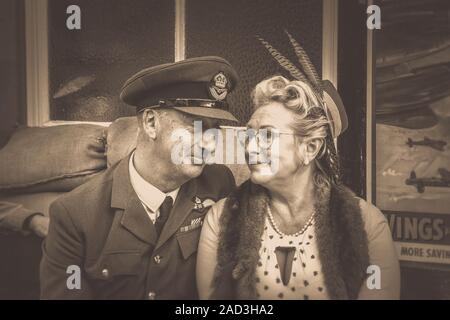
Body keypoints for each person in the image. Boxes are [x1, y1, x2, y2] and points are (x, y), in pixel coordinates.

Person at [40, 56, 239, 299]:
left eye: (213, 129)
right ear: (151, 122)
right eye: (195, 126)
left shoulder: (220, 184)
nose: (208, 141)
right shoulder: (75, 215)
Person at [196, 75, 400, 300]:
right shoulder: (222, 219)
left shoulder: (368, 225)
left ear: (310, 148)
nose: (250, 147)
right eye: (249, 135)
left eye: (266, 135)